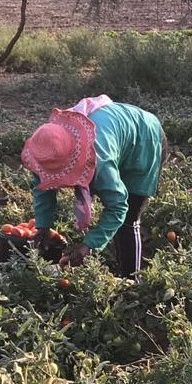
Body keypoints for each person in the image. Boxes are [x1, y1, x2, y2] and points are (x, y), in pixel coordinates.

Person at [21, 96, 168, 277]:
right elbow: (42, 188)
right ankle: (121, 267)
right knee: (118, 224)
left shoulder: (100, 161)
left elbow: (118, 207)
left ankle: (131, 282)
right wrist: (43, 226)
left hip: (146, 138)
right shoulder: (46, 149)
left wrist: (89, 245)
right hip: (118, 133)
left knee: (129, 220)